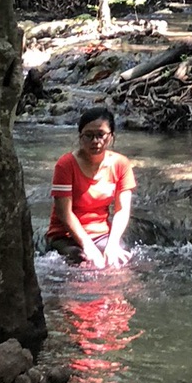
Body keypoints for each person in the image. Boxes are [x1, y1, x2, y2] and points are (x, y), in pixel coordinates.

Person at [48, 110, 136, 267]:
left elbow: (122, 210)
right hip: (65, 235)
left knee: (119, 260)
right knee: (84, 262)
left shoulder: (121, 164)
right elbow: (64, 213)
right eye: (88, 135)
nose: (95, 141)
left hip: (101, 234)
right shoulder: (66, 165)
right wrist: (89, 247)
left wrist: (113, 244)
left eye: (101, 134)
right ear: (80, 137)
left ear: (111, 136)